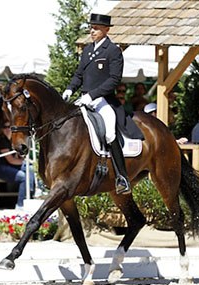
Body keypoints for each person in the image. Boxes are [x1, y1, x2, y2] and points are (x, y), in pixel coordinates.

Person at [62, 13, 131, 194]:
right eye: (91, 28)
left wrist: (92, 95)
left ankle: (122, 177)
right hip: (84, 98)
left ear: (106, 30)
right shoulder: (87, 50)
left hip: (104, 100)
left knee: (109, 133)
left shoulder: (113, 50)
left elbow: (114, 79)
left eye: (96, 28)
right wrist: (70, 89)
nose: (92, 31)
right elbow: (79, 74)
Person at [0, 121, 35, 209]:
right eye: (5, 127)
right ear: (2, 129)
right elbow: (10, 160)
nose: (7, 129)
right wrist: (25, 161)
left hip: (11, 166)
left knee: (30, 168)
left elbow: (18, 157)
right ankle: (20, 204)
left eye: (9, 127)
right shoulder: (2, 140)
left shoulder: (12, 140)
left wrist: (25, 161)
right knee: (23, 176)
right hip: (0, 168)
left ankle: (32, 192)